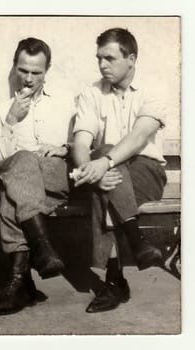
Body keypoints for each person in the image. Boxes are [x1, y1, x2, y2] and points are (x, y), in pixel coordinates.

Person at [72, 28, 166, 313]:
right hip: (106, 174)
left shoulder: (154, 90)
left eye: (109, 58)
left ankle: (115, 280)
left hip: (145, 170)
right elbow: (81, 142)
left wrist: (102, 165)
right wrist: (87, 167)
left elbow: (139, 137)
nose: (102, 65)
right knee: (103, 169)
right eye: (99, 58)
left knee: (106, 167)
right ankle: (137, 241)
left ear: (131, 58)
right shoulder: (90, 92)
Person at [0, 38, 76, 316]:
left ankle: (20, 282)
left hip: (52, 176)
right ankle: (41, 250)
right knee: (21, 164)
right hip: (18, 177)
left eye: (36, 72)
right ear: (15, 68)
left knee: (12, 194)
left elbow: (82, 145)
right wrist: (12, 119)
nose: (28, 78)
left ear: (47, 71)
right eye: (23, 70)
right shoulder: (1, 109)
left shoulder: (65, 104)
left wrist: (63, 149)